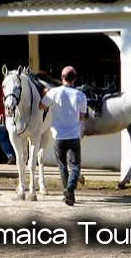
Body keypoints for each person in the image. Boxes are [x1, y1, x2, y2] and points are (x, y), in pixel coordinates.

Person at [40, 65, 88, 206]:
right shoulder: (81, 95)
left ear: (62, 78)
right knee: (75, 166)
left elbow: (41, 107)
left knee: (62, 166)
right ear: (75, 78)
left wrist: (45, 94)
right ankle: (69, 189)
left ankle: (68, 194)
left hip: (58, 137)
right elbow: (82, 116)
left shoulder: (53, 92)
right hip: (73, 136)